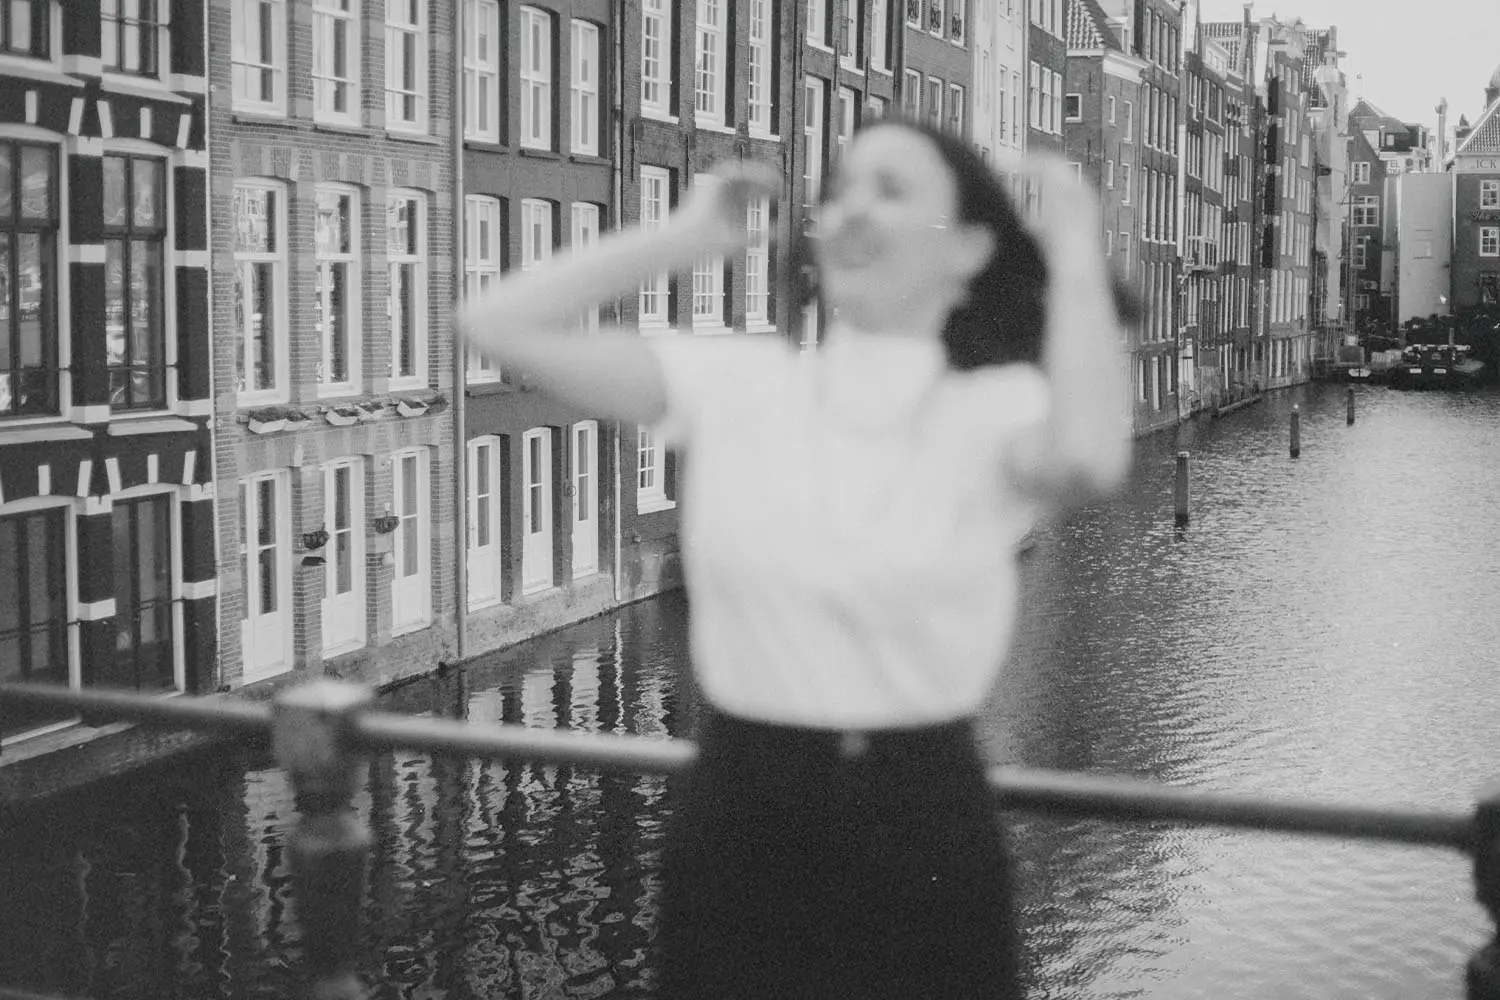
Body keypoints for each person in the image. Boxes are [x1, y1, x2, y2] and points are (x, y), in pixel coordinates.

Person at [456, 118, 1133, 1000]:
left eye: (890, 191)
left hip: (920, 821)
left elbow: (1089, 453)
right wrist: (687, 236)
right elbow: (493, 321)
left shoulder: (994, 410)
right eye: (842, 189)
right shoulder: (740, 384)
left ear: (968, 248)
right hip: (743, 813)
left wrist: (1076, 248)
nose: (852, 210)